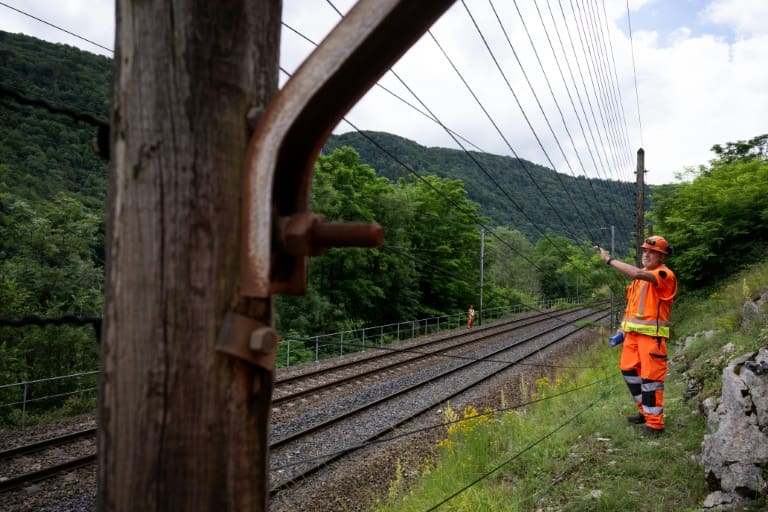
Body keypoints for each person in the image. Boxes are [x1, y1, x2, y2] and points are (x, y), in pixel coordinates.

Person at [596, 235, 677, 436]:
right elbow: (632, 307)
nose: (647, 255)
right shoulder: (640, 281)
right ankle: (644, 412)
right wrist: (622, 329)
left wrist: (609, 260)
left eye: (653, 253)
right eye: (646, 251)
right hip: (632, 336)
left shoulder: (663, 275)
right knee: (629, 371)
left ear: (662, 257)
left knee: (651, 379)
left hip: (652, 338)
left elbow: (634, 273)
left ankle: (655, 424)